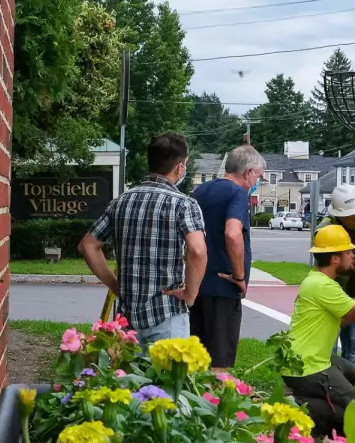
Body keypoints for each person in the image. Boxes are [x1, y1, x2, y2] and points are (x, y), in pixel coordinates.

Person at [80, 132, 207, 347]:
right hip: (167, 314)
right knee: (168, 370)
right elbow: (198, 250)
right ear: (179, 168)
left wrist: (115, 285)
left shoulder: (120, 202)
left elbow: (87, 245)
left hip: (126, 319)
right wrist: (190, 295)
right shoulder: (185, 205)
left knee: (127, 369)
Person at [281, 224, 355, 434]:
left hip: (311, 360)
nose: (353, 256)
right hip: (305, 367)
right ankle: (299, 406)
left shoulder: (316, 279)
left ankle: (317, 410)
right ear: (335, 259)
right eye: (348, 252)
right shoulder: (323, 286)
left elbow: (343, 319)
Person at [190, 144, 264, 370]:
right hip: (223, 286)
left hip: (197, 284)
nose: (257, 181)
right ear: (248, 172)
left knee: (196, 358)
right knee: (219, 362)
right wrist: (239, 276)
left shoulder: (200, 191)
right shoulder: (237, 194)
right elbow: (232, 233)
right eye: (258, 176)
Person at [318, 184, 355, 367]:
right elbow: (328, 264)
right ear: (341, 216)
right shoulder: (325, 230)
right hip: (333, 296)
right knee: (328, 347)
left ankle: (351, 380)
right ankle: (329, 379)